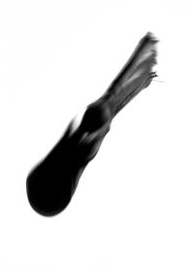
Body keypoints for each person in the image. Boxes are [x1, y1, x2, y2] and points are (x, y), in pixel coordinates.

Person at [26, 33, 158, 216]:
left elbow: (109, 105)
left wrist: (140, 70)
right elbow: (111, 105)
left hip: (104, 109)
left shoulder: (87, 135)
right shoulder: (82, 143)